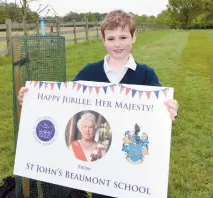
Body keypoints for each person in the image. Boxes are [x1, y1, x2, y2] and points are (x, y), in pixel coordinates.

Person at [17, 9, 179, 198]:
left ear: (134, 37)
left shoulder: (145, 74)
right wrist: (32, 100)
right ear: (103, 40)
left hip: (132, 166)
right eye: (111, 39)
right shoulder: (89, 72)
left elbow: (159, 111)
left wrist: (170, 110)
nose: (117, 44)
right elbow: (63, 103)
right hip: (101, 168)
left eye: (123, 37)